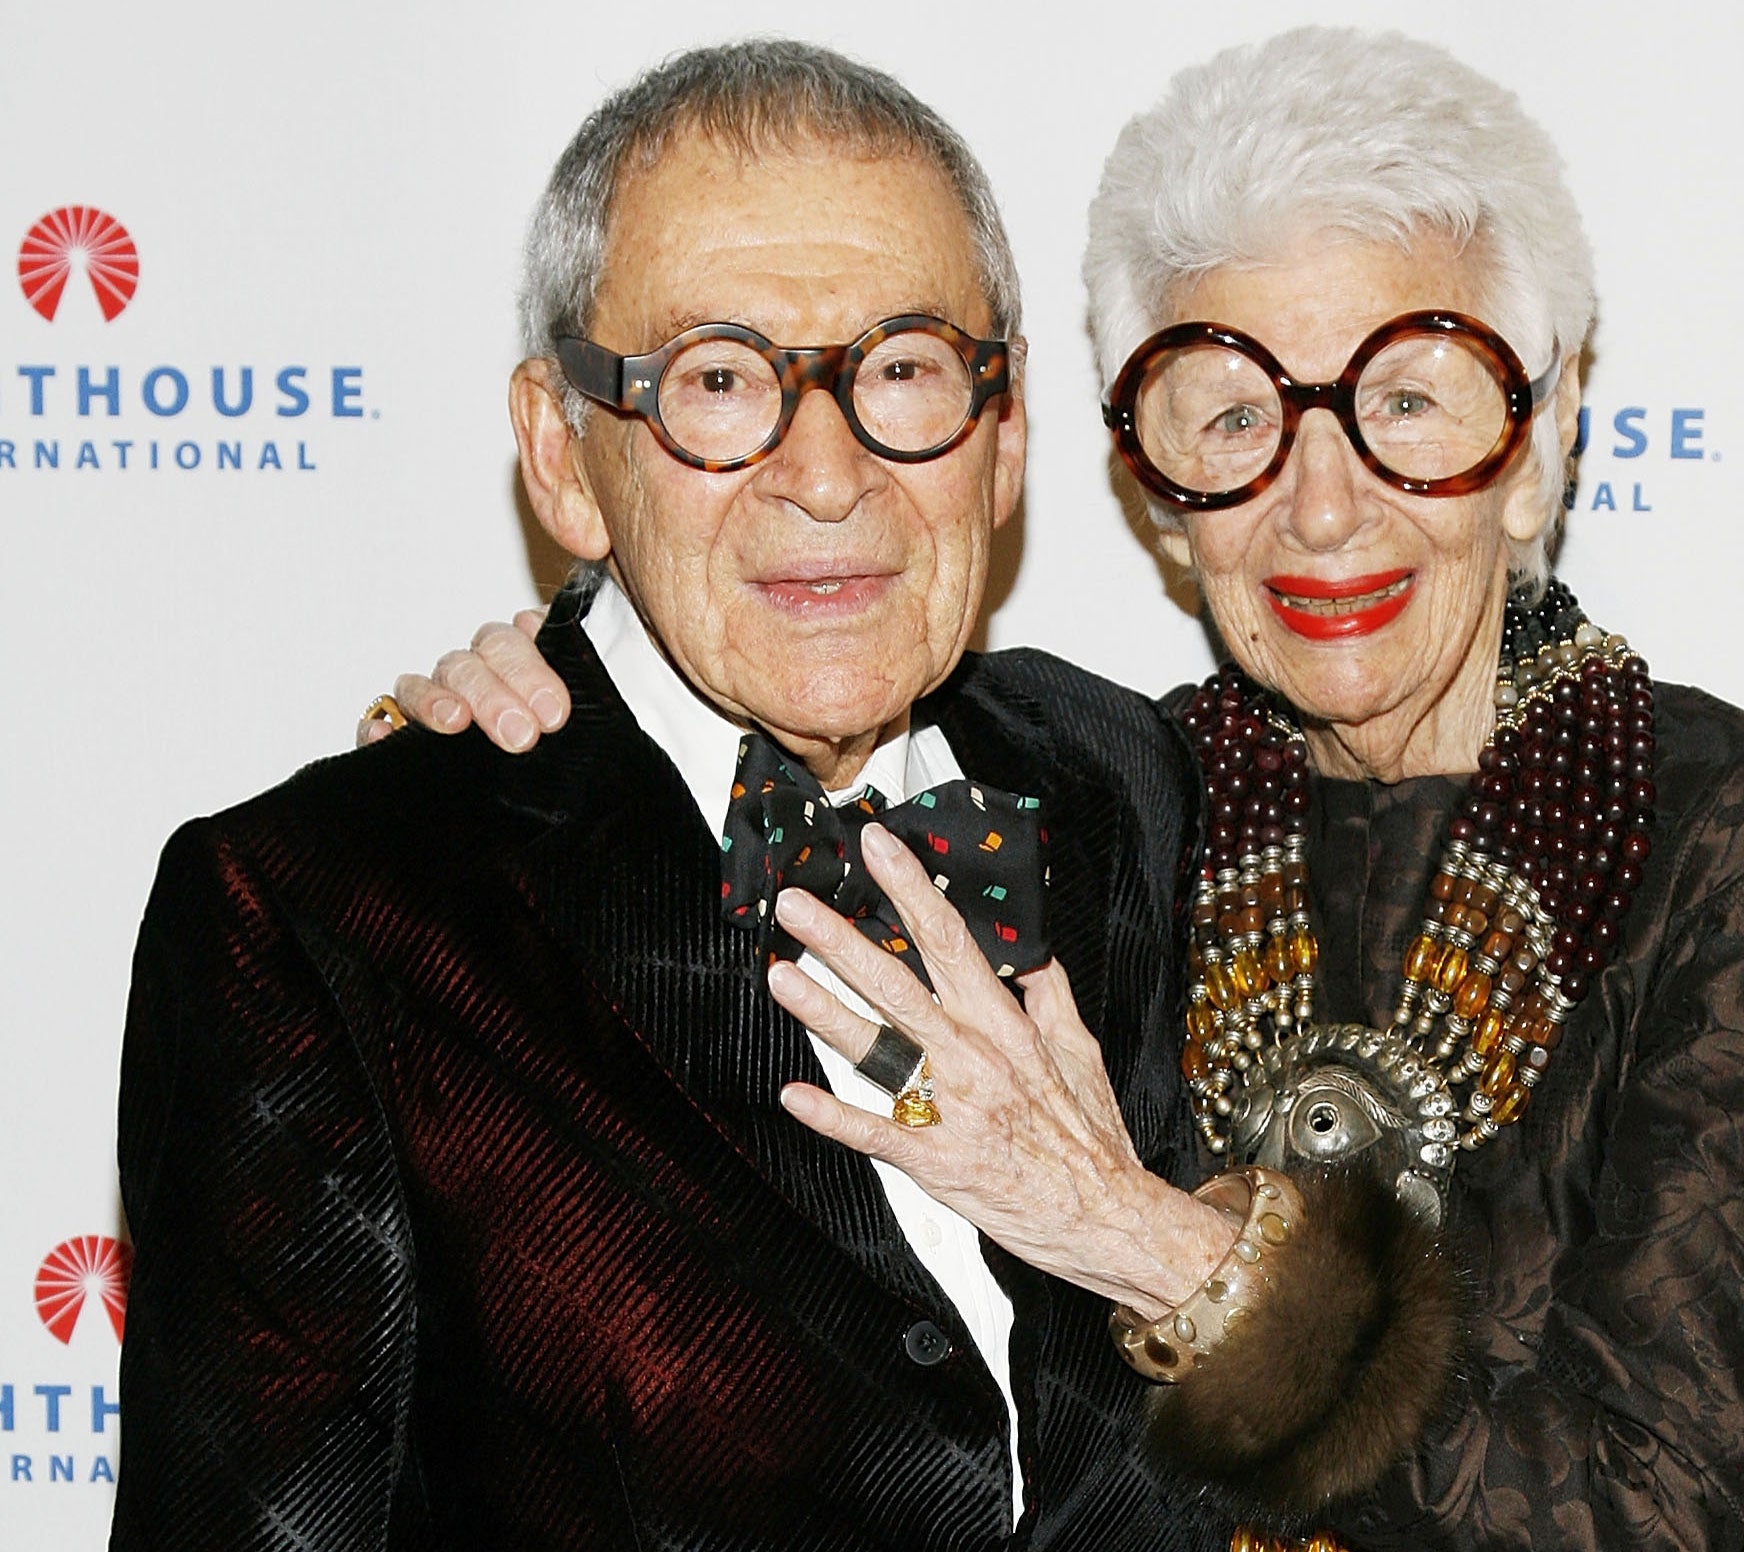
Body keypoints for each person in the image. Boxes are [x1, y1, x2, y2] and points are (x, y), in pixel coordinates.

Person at [384, 28, 1744, 1551]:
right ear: (1152, 488)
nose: (1321, 503)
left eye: (1407, 403)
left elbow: (1649, 1508)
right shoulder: (1109, 792)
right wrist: (539, 714)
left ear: (1538, 439)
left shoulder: (1719, 833)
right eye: (1234, 416)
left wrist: (1129, 1232)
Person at [115, 41, 1240, 1551]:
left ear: (1005, 432)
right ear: (563, 457)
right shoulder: (325, 916)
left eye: (900, 367)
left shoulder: (1121, 778)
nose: (828, 474)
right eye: (719, 382)